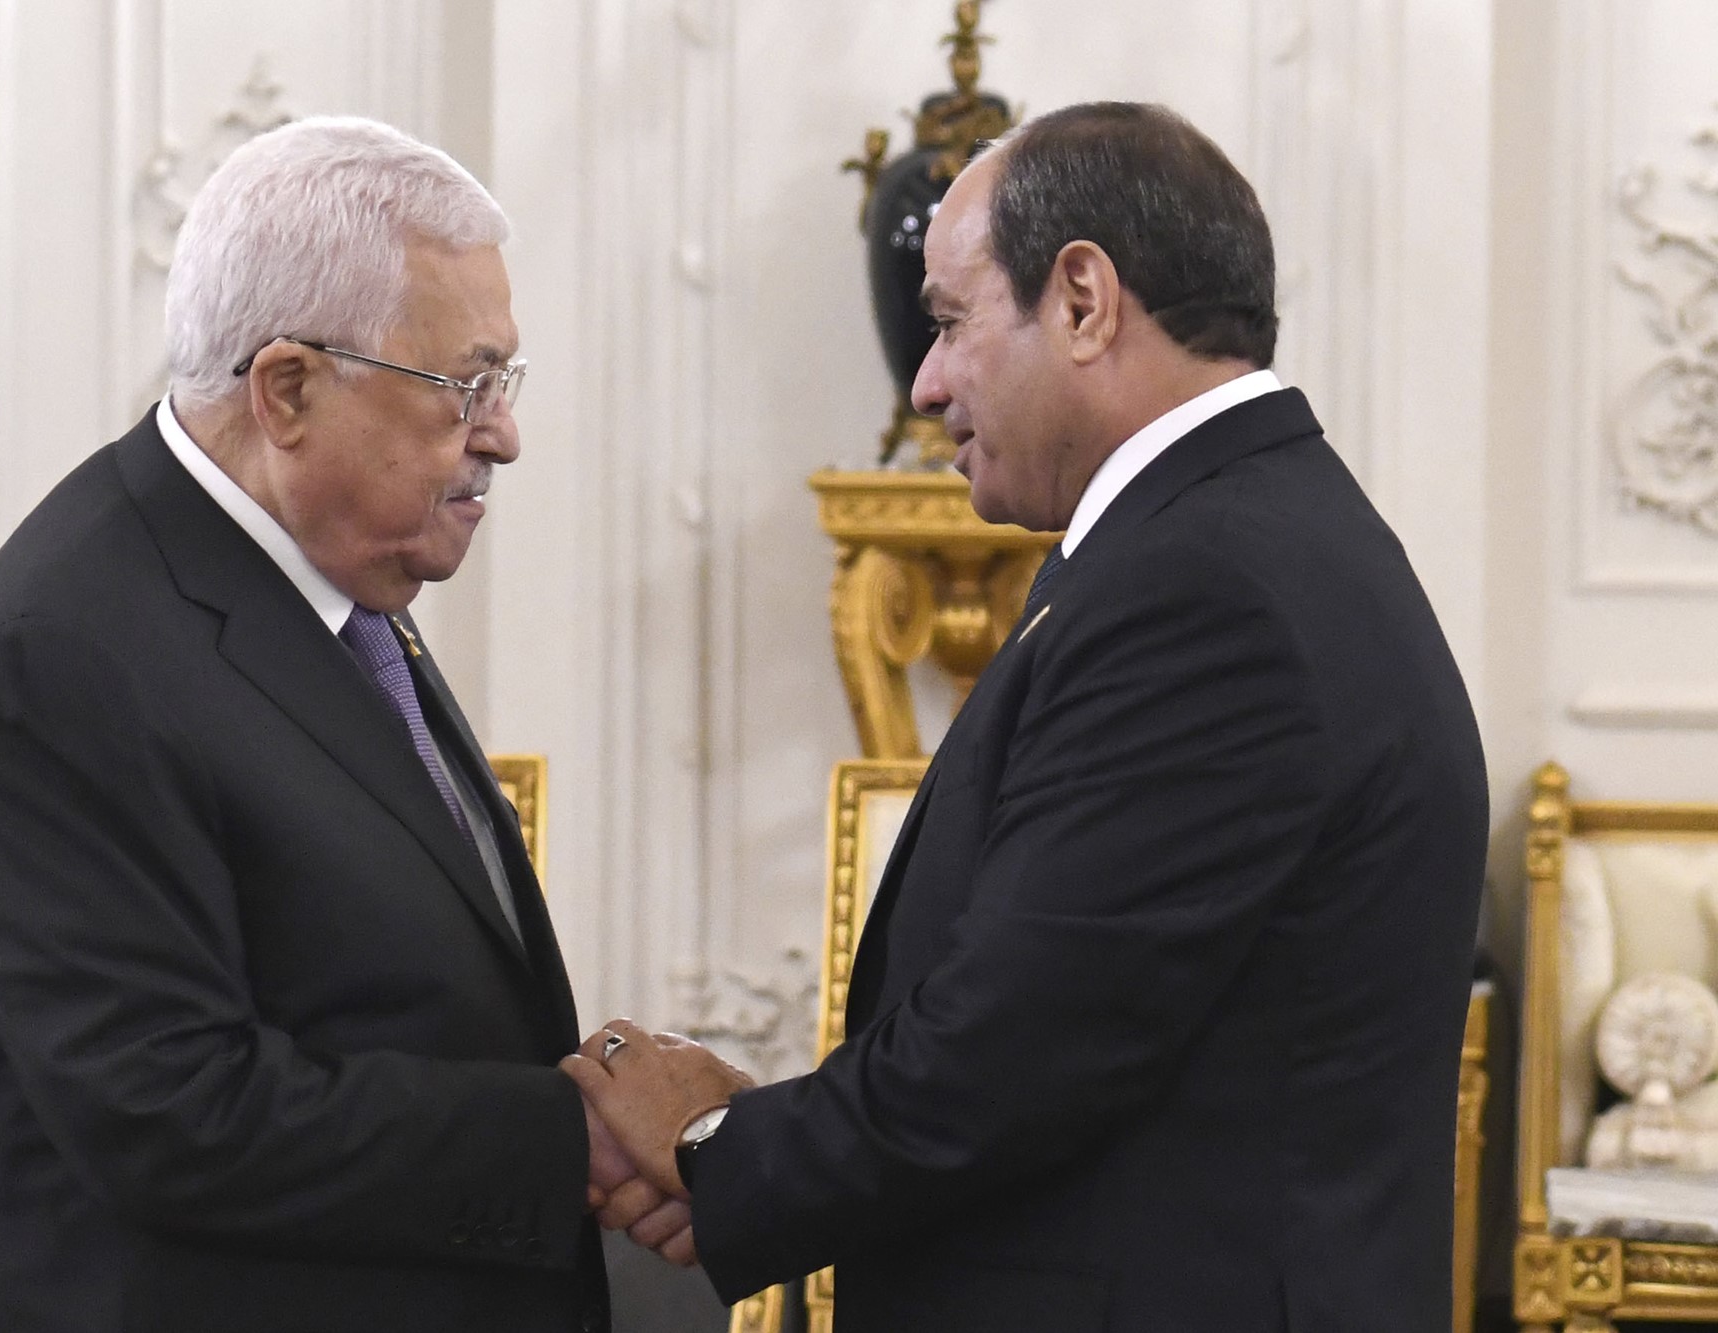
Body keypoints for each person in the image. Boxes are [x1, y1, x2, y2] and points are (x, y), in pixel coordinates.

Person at [564, 101, 1489, 1332]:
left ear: (1084, 300)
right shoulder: (1229, 536)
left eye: (948, 321)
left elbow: (1008, 1056)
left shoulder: (1207, 590)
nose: (926, 380)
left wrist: (711, 1142)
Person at [0, 117, 680, 1333]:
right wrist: (566, 1137)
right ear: (289, 389)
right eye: (465, 385)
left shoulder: (323, 582)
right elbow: (169, 1113)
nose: (502, 433)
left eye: (503, 382)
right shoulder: (60, 658)